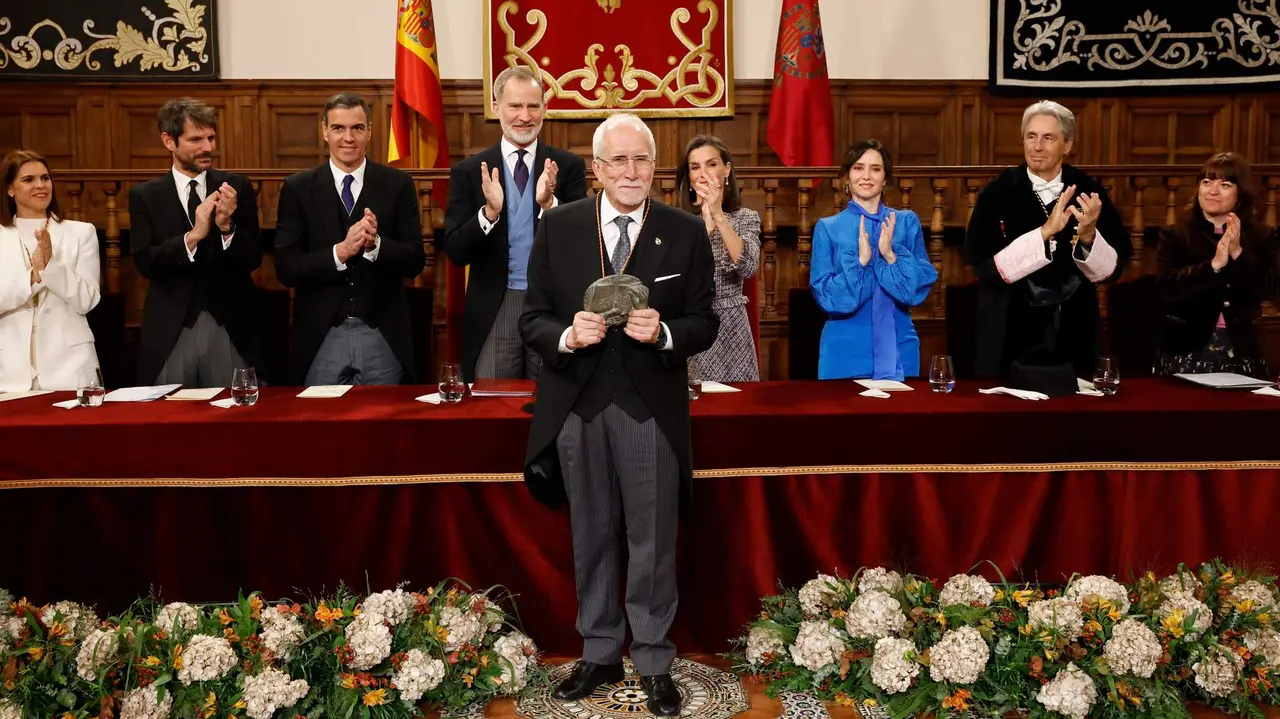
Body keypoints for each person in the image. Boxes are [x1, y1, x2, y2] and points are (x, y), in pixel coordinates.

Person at [520, 113, 718, 717]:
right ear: (598, 169)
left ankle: (655, 658)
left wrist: (663, 333)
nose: (631, 172)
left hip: (649, 411)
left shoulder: (684, 231)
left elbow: (705, 321)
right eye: (619, 161)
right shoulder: (558, 227)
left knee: (652, 539)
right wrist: (566, 335)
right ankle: (601, 651)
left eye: (641, 161)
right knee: (592, 537)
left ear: (652, 169)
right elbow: (532, 319)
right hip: (578, 408)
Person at [964, 100, 1130, 384]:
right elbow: (982, 265)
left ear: (1067, 145)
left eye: (1048, 138)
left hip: (1073, 326)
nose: (1037, 146)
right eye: (1031, 136)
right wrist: (1043, 234)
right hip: (1009, 326)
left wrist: (1089, 235)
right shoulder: (999, 191)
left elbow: (1113, 269)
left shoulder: (1088, 190)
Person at [442, 66, 587, 382]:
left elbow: (584, 243)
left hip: (552, 304)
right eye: (515, 106)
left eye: (533, 106)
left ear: (544, 110)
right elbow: (455, 250)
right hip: (497, 306)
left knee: (552, 398)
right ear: (496, 108)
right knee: (492, 404)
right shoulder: (469, 172)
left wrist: (550, 206)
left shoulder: (567, 167)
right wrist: (489, 214)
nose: (525, 115)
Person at [274, 92, 425, 385]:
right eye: (338, 128)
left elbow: (415, 260)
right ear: (324, 132)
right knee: (324, 428)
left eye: (357, 128)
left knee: (382, 425)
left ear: (369, 130)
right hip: (322, 336)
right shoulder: (297, 188)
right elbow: (287, 268)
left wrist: (375, 245)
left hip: (381, 334)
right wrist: (340, 253)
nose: (348, 138)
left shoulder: (397, 184)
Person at [130, 98, 263, 387]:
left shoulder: (236, 187)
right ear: (169, 141)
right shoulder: (145, 196)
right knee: (167, 421)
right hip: (171, 331)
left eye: (211, 137)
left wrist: (227, 228)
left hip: (230, 328)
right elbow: (145, 262)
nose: (208, 147)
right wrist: (193, 237)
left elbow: (253, 258)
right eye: (196, 139)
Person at [809, 139, 936, 380]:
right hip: (844, 350)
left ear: (885, 179)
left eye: (875, 169)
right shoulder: (827, 228)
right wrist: (861, 263)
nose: (866, 175)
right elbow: (825, 297)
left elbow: (915, 291)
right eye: (858, 168)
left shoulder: (907, 222)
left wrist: (889, 256)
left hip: (901, 345)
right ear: (846, 177)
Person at [1155, 152, 1279, 377]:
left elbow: (1272, 289)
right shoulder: (1176, 235)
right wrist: (1213, 266)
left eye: (1225, 184)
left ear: (1240, 193)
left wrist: (1238, 254)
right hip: (1186, 350)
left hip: (1244, 350)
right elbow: (1167, 289)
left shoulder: (1263, 236)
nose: (1212, 190)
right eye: (1206, 182)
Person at [0, 150, 101, 391]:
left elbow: (87, 300)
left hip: (70, 366)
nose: (40, 185)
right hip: (10, 369)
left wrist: (50, 267)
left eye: (45, 178)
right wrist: (32, 277)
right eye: (28, 180)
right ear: (10, 189)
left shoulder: (81, 233)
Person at [674, 135, 760, 382]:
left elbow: (749, 267)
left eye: (711, 164)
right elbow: (677, 274)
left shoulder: (745, 218)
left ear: (726, 170)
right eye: (695, 167)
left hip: (733, 327)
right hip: (692, 323)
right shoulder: (676, 221)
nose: (703, 173)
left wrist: (718, 217)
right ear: (688, 177)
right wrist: (706, 227)